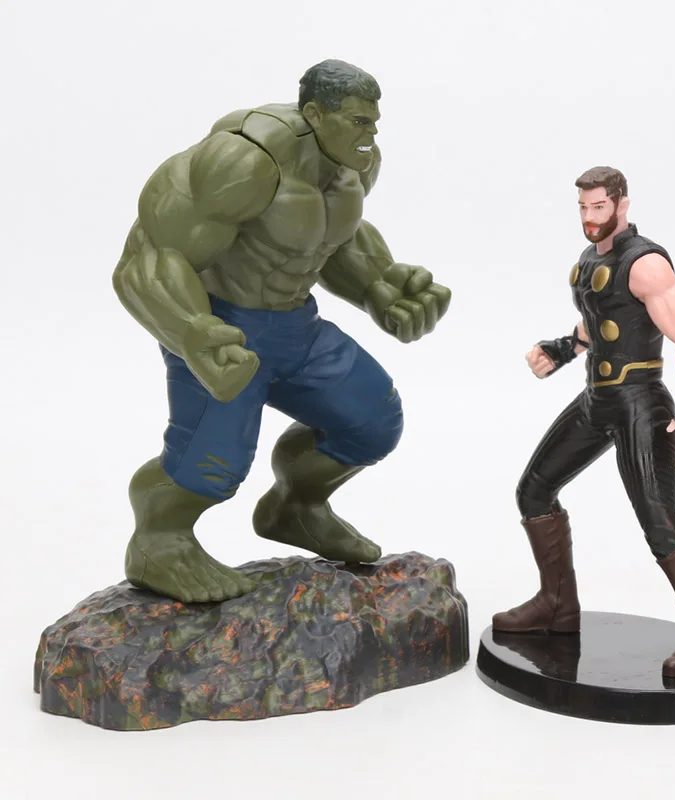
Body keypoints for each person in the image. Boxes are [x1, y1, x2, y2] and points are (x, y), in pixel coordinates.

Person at [112, 60, 451, 604]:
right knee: (213, 466)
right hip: (225, 328)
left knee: (372, 423)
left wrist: (379, 286)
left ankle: (295, 506)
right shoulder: (243, 160)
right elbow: (149, 258)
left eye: (373, 121)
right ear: (314, 114)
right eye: (358, 121)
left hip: (297, 326)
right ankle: (159, 542)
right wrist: (192, 331)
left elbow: (330, 238)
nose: (370, 133)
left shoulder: (356, 161)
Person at [493, 166, 675, 678]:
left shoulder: (646, 263)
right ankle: (557, 607)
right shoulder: (590, 259)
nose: (589, 216)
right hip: (597, 401)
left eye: (598, 206)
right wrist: (565, 347)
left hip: (640, 404)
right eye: (583, 207)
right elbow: (602, 318)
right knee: (534, 491)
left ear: (621, 204)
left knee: (660, 520)